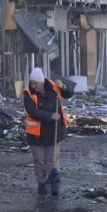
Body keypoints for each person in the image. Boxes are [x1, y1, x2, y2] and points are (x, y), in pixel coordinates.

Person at [22, 67, 74, 197]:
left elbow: (69, 94)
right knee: (39, 160)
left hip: (54, 131)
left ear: (42, 82)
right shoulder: (28, 93)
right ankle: (41, 184)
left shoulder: (53, 86)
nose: (34, 85)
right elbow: (33, 111)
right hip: (36, 134)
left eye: (36, 83)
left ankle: (53, 184)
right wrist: (50, 116)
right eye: (32, 83)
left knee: (52, 159)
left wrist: (64, 86)